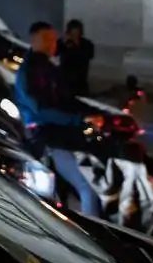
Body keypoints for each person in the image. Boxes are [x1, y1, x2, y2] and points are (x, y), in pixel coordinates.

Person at [13, 21, 103, 218]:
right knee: (88, 187)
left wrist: (91, 113)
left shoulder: (47, 67)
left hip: (61, 133)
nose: (52, 43)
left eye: (54, 39)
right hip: (49, 138)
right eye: (47, 39)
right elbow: (42, 109)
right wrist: (79, 119)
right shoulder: (32, 69)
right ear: (34, 40)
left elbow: (68, 98)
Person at [59, 18, 94, 97]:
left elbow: (89, 55)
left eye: (76, 31)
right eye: (72, 31)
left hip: (80, 81)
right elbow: (54, 52)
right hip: (65, 81)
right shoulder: (64, 42)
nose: (74, 34)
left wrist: (76, 44)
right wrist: (63, 42)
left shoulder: (87, 44)